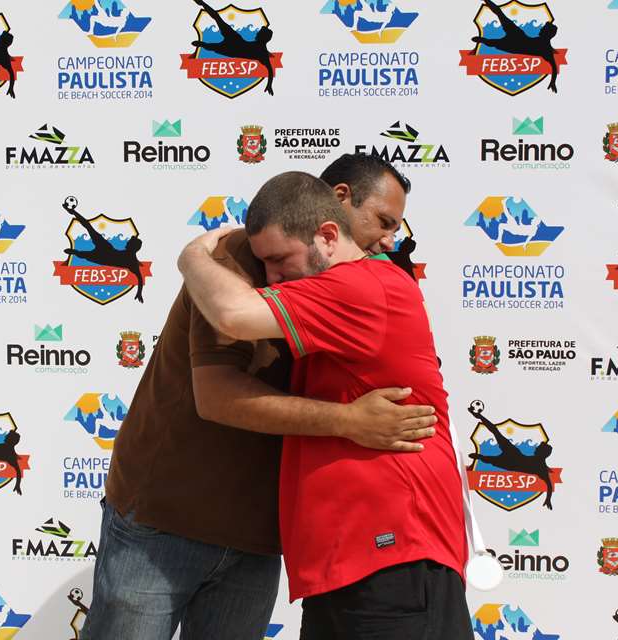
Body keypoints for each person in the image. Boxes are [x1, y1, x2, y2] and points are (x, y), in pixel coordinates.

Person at [83, 154, 433, 640]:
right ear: (338, 204)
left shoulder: (362, 284)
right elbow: (217, 395)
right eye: (383, 221)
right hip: (166, 519)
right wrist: (350, 420)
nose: (389, 239)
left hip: (258, 537)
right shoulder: (234, 262)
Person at [177, 172, 470, 639]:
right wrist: (345, 420)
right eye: (263, 263)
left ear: (329, 237)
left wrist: (191, 256)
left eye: (279, 259)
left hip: (395, 558)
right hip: (346, 566)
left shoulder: (362, 285)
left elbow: (233, 313)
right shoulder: (335, 293)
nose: (271, 277)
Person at [472, 0, 560, 93]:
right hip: (518, 36)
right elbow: (554, 67)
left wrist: (553, 81)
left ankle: (483, 40)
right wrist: (553, 81)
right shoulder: (547, 48)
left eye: (543, 29)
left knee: (493, 42)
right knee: (499, 15)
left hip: (515, 46)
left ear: (547, 33)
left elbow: (554, 67)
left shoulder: (546, 50)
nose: (541, 29)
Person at [190, 0, 276, 95]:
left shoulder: (263, 53)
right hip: (235, 41)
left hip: (232, 49)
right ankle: (202, 3)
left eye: (259, 33)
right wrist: (269, 84)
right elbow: (270, 70)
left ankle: (202, 44)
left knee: (211, 45)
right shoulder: (263, 51)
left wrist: (269, 85)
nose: (257, 33)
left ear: (263, 37)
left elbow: (270, 70)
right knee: (217, 20)